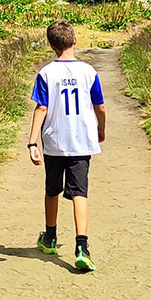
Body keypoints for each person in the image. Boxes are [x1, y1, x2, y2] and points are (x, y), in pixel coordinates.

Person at [28, 19, 106, 272]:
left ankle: (50, 236)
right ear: (75, 41)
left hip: (54, 141)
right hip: (82, 140)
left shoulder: (46, 73)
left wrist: (32, 142)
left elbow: (42, 107)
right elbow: (100, 106)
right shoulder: (89, 72)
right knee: (79, 192)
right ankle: (82, 246)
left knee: (52, 189)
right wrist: (100, 129)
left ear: (51, 45)